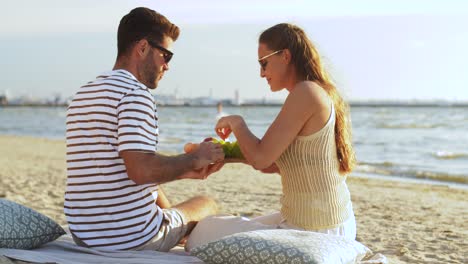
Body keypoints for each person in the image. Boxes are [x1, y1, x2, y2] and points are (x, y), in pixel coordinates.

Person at [64, 7, 224, 252]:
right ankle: (176, 229)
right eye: (166, 56)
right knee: (206, 203)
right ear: (142, 48)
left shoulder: (83, 94)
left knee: (167, 205)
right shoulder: (136, 94)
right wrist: (194, 158)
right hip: (130, 238)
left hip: (84, 234)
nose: (167, 66)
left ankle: (172, 224)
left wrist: (183, 170)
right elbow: (141, 170)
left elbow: (125, 171)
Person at [213, 23, 357, 239]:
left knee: (205, 233)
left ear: (285, 56)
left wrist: (237, 123)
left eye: (264, 63)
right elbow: (273, 163)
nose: (261, 73)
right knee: (216, 226)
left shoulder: (306, 92)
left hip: (316, 232)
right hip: (324, 222)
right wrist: (224, 154)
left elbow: (260, 158)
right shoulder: (312, 90)